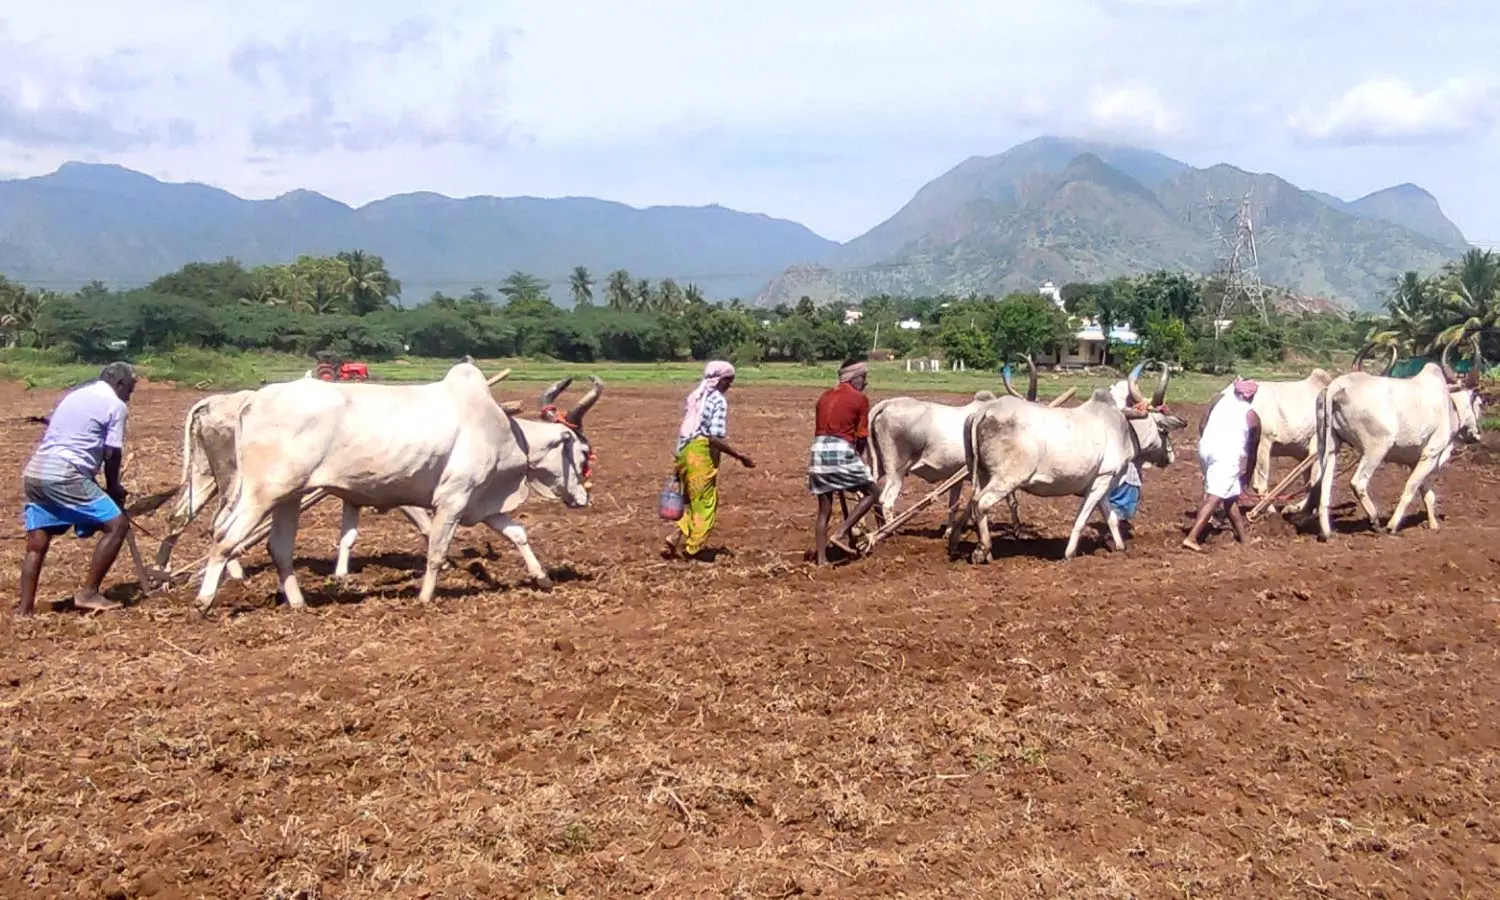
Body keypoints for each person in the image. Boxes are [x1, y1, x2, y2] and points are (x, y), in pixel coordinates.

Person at [17, 362, 138, 616]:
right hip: (64, 474)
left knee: (37, 544)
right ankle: (89, 593)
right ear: (119, 383)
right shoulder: (116, 405)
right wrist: (113, 486)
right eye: (130, 387)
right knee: (117, 525)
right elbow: (112, 451)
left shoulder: (76, 395)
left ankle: (24, 610)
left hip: (35, 472)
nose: (130, 394)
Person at [664, 360, 755, 559]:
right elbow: (713, 437)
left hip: (684, 453)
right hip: (700, 455)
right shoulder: (718, 400)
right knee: (706, 504)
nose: (729, 385)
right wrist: (739, 456)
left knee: (696, 502)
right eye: (728, 381)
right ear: (719, 380)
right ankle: (692, 550)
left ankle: (675, 535)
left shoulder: (696, 397)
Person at [808, 359, 881, 565]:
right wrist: (859, 460)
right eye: (863, 378)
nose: (865, 383)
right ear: (854, 378)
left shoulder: (824, 397)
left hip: (818, 451)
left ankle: (822, 560)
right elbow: (861, 436)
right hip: (841, 449)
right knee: (873, 493)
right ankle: (840, 533)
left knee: (824, 509)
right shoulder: (859, 399)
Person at [1183, 377, 1260, 551]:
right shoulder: (1251, 415)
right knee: (1215, 495)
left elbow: (1202, 424)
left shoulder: (1219, 402)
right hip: (1226, 455)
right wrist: (1247, 476)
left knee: (1230, 495)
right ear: (1251, 396)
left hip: (1206, 449)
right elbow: (1253, 450)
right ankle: (1192, 537)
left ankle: (1243, 538)